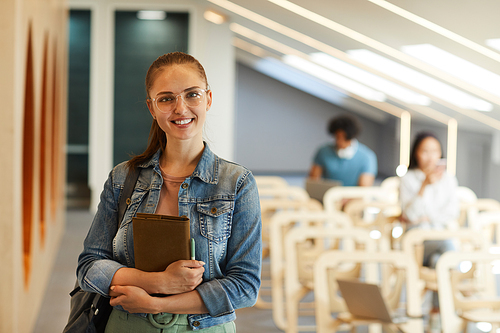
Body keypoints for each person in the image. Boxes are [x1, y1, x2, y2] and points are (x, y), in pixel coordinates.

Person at [77, 52, 262, 332]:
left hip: (204, 327)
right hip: (127, 324)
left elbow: (245, 287)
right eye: (166, 98)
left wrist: (157, 304)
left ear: (208, 99)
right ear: (152, 108)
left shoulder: (236, 183)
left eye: (192, 95)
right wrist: (159, 283)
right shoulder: (122, 178)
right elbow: (89, 267)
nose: (181, 108)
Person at [399, 131, 459, 329]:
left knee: (439, 262)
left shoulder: (449, 179)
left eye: (435, 151)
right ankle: (442, 312)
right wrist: (424, 185)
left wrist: (427, 217)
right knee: (449, 248)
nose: (430, 156)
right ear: (416, 153)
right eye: (425, 151)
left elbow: (452, 212)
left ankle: (435, 314)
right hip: (417, 242)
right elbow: (411, 215)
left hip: (439, 240)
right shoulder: (408, 179)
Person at [309, 115, 377, 186]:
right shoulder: (323, 151)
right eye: (337, 137)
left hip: (352, 196)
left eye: (344, 138)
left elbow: (364, 188)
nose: (339, 142)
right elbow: (313, 180)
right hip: (327, 195)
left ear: (351, 136)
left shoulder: (367, 156)